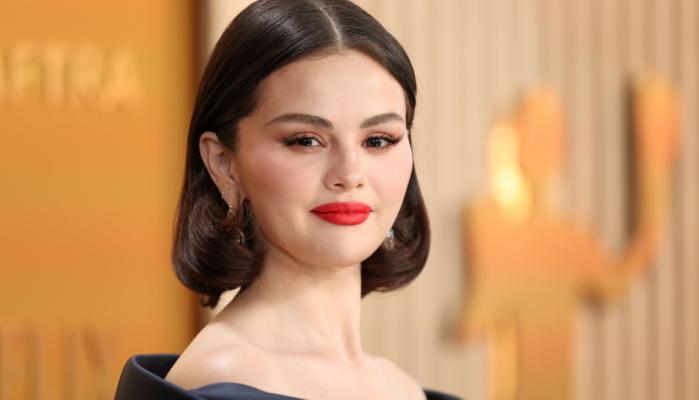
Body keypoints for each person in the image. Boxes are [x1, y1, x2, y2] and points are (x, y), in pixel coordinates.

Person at [114, 0, 461, 399]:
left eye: (378, 140)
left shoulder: (401, 387)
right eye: (306, 140)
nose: (350, 173)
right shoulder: (225, 378)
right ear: (223, 162)